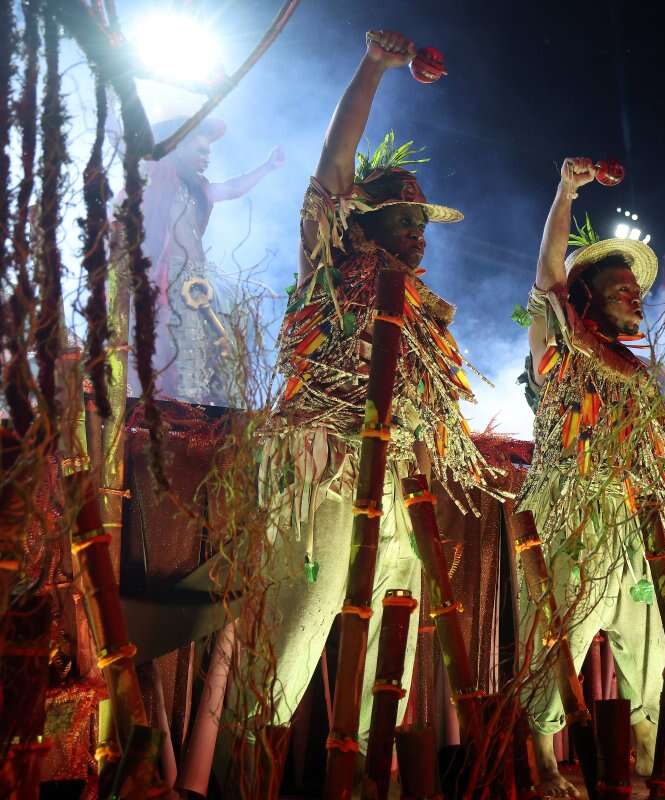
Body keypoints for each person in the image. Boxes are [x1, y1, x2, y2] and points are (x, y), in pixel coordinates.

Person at [248, 28, 491, 762]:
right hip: (328, 466)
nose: (420, 239)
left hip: (399, 480)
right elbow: (329, 170)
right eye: (406, 222)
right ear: (363, 219)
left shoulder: (424, 310)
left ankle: (369, 773)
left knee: (393, 623)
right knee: (306, 617)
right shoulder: (331, 264)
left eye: (424, 227)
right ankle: (255, 765)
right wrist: (373, 69)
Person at [518, 157, 665, 797]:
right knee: (563, 639)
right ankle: (544, 764)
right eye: (620, 288)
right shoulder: (561, 345)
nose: (636, 297)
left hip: (628, 520)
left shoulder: (644, 376)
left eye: (637, 289)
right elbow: (547, 274)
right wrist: (567, 191)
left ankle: (646, 749)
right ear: (588, 299)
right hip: (569, 510)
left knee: (651, 646)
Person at [137, 116, 284, 405]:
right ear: (178, 149)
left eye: (209, 152)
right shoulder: (158, 184)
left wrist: (267, 167)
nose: (207, 158)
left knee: (221, 345)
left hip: (200, 279)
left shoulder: (200, 190)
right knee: (183, 348)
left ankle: (209, 410)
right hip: (175, 280)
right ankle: (182, 410)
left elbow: (231, 188)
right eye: (201, 151)